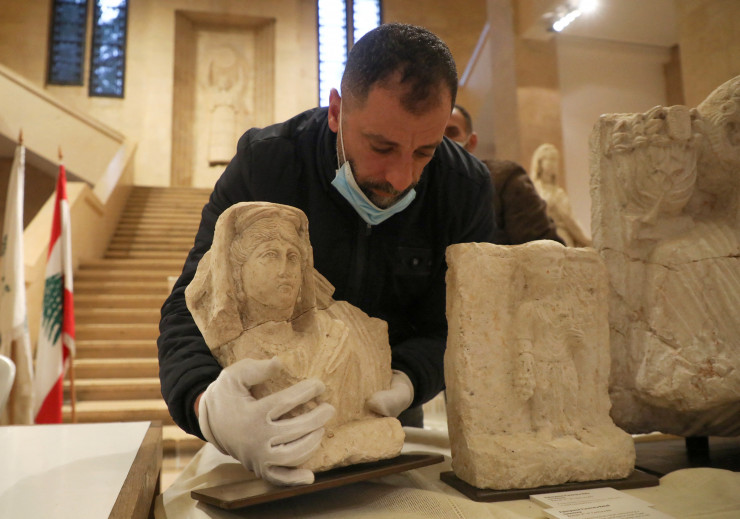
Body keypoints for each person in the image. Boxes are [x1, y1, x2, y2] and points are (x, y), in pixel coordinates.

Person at [158, 23, 496, 486]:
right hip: (264, 419)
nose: (401, 178)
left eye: (424, 151)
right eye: (382, 147)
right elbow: (193, 304)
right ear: (337, 111)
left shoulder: (464, 188)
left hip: (385, 413)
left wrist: (408, 378)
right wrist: (210, 407)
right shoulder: (268, 163)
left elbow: (460, 324)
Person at [444, 105, 563, 245]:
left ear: (471, 142)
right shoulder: (421, 189)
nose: (442, 141)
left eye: (452, 133)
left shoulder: (504, 179)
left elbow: (546, 248)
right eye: (436, 132)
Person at [530, 143, 591, 247]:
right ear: (540, 162)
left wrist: (585, 240)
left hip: (560, 237)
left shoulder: (559, 193)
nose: (554, 164)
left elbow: (570, 220)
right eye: (550, 159)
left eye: (555, 160)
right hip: (538, 237)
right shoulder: (533, 189)